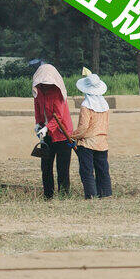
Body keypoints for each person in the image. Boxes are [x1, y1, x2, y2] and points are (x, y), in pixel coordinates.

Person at [32, 64, 74, 199]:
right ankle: (48, 195)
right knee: (46, 167)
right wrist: (38, 125)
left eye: (47, 82)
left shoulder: (57, 93)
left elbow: (59, 117)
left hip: (62, 134)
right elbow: (38, 110)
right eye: (42, 82)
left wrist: (47, 127)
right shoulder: (38, 91)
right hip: (47, 135)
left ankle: (64, 195)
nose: (45, 85)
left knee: (62, 168)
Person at [72, 68, 112, 199]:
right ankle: (105, 194)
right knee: (103, 171)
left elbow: (83, 128)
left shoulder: (86, 106)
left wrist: (73, 135)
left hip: (88, 143)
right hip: (102, 143)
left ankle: (91, 195)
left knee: (87, 171)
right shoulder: (105, 105)